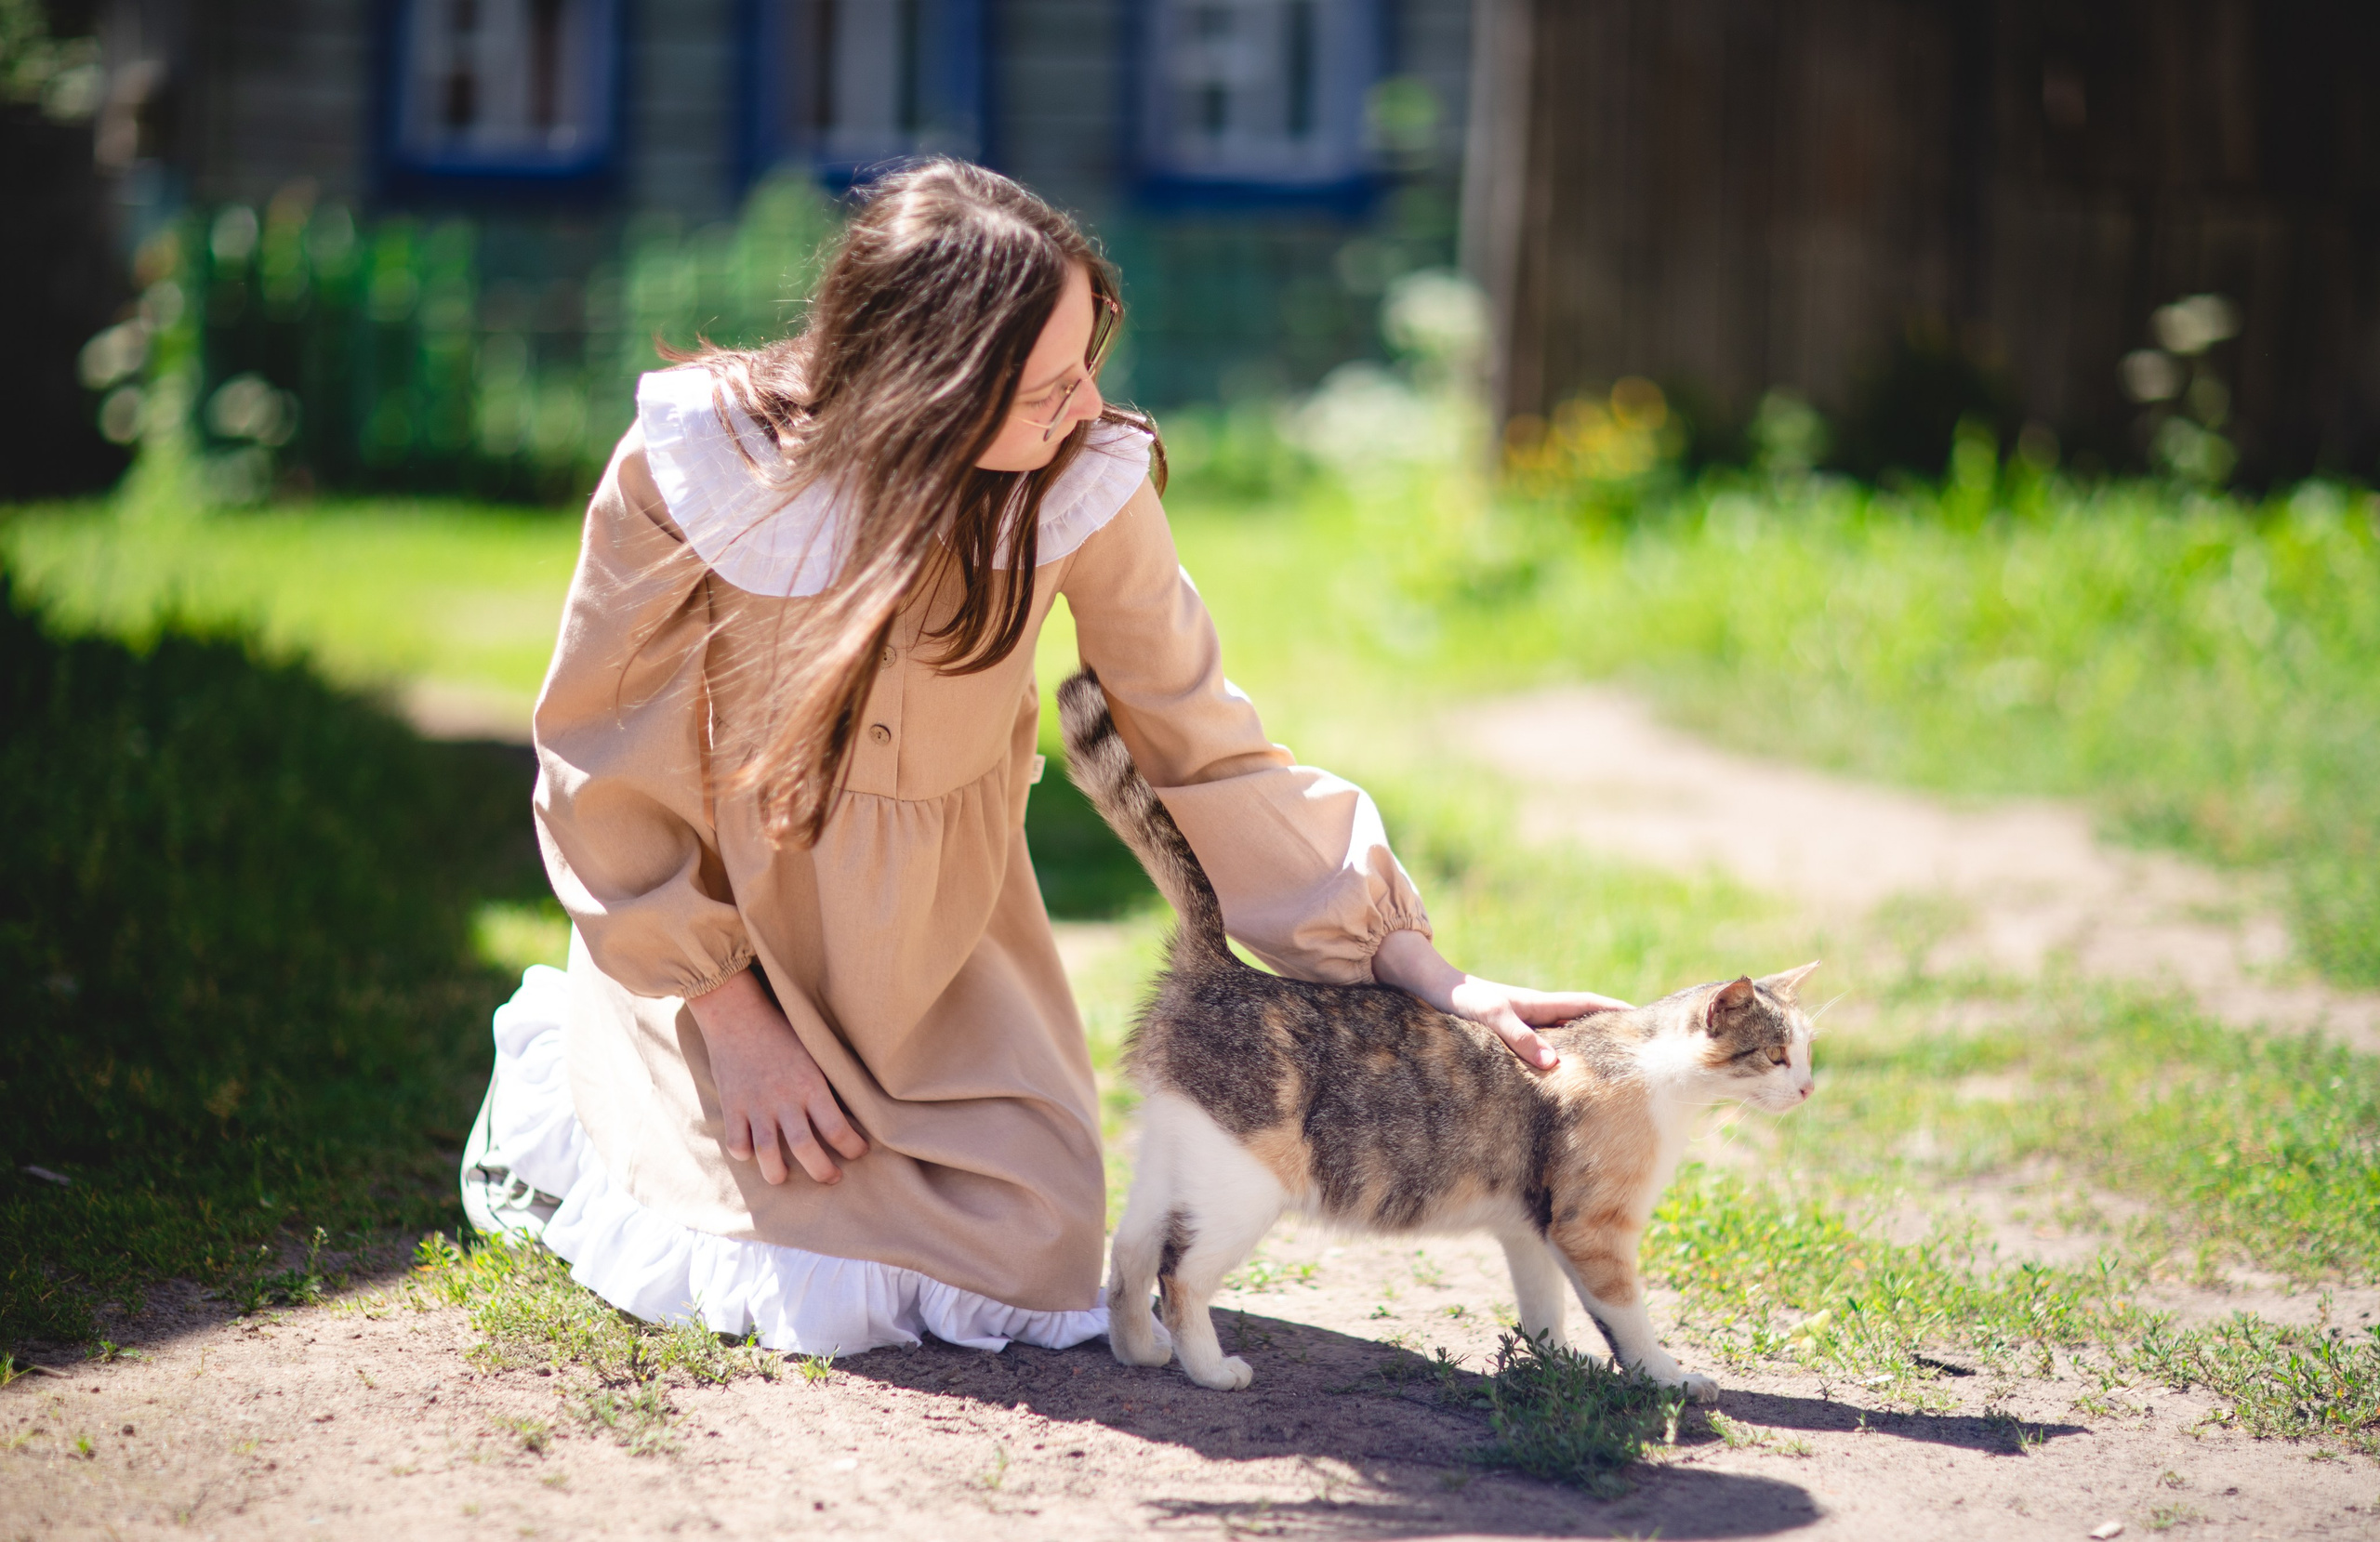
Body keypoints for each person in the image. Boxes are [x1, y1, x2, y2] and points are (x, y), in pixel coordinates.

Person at [460, 159, 1623, 1358]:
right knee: (808, 1285)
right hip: (734, 938)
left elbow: (1199, 737)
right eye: (1047, 387)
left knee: (1035, 1272)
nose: (1088, 404)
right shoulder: (696, 467)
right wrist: (734, 1019)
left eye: (1087, 363)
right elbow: (603, 758)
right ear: (926, 390)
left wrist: (1420, 967)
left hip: (940, 949)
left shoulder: (1082, 476)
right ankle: (568, 1085)